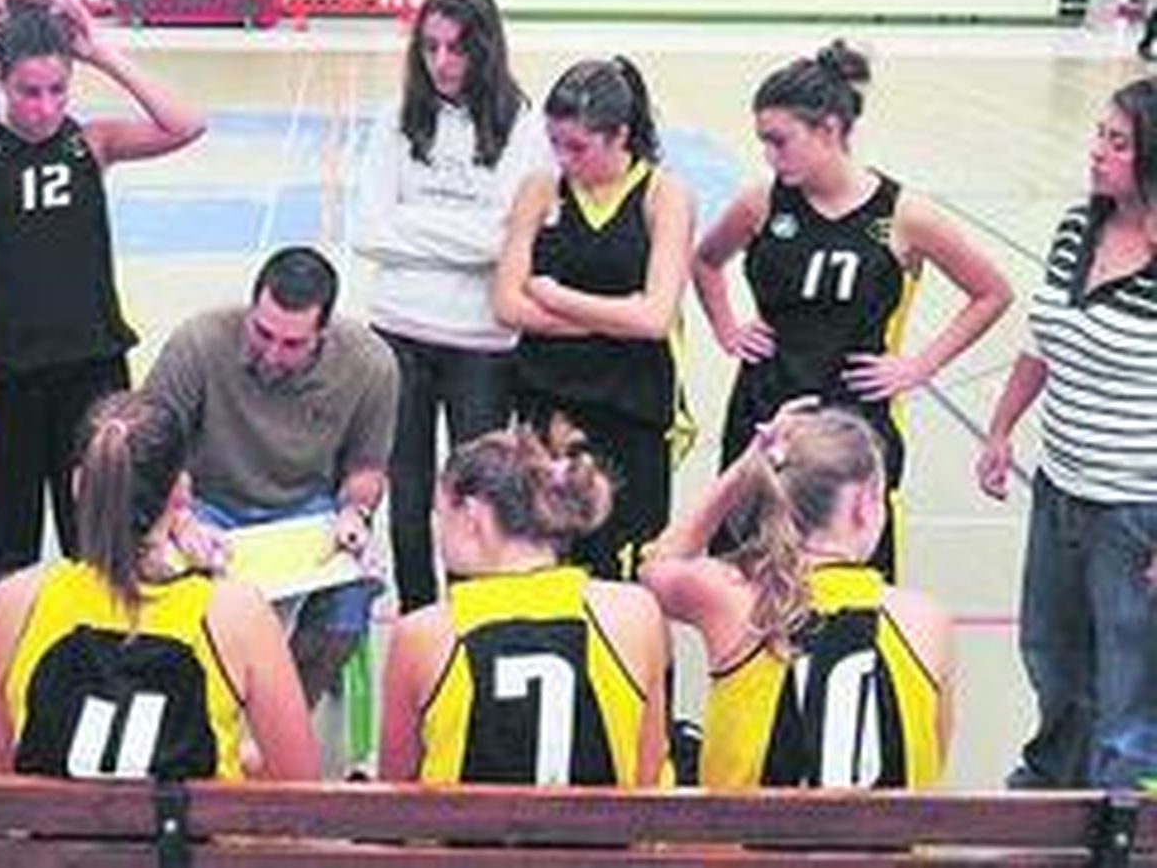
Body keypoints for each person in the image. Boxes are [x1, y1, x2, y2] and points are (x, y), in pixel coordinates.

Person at [0, 0, 204, 610]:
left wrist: (102, 54)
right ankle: (0, 659)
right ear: (2, 86)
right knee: (0, 547)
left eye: (56, 91)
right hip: (3, 376)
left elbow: (186, 123)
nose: (43, 107)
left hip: (89, 374)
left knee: (97, 533)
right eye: (27, 91)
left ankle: (93, 639)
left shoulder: (91, 142)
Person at [692, 40, 1010, 578]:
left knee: (847, 584)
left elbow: (992, 293)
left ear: (831, 129)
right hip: (765, 410)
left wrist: (920, 366)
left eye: (779, 141)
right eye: (763, 142)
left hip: (855, 420)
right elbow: (705, 262)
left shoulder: (905, 215)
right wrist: (728, 329)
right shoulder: (761, 203)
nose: (769, 155)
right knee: (745, 573)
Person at [0, 391, 319, 780]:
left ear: (77, 486)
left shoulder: (16, 603)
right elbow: (300, 787)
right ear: (181, 494)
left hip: (55, 838)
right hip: (179, 839)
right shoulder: (234, 614)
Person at [976, 77, 1157, 789]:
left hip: (1136, 510)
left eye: (1117, 143)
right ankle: (1055, 782)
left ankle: (1122, 815)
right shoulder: (1078, 229)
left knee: (1130, 676)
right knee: (1050, 651)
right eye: (1098, 136)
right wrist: (1000, 428)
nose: (1097, 154)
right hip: (1060, 491)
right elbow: (1045, 338)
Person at [352, 0, 548, 613]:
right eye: (430, 47)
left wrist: (417, 228)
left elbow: (512, 238)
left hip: (482, 345)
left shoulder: (523, 125)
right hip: (398, 335)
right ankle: (418, 620)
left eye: (457, 49)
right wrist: (475, 235)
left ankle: (471, 620)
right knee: (407, 495)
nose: (441, 62)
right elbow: (370, 230)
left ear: (484, 50)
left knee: (478, 497)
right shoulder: (395, 120)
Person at [642, 403, 953, 788]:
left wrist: (744, 469)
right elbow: (931, 765)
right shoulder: (923, 619)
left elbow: (656, 567)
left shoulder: (737, 601)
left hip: (743, 845)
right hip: (888, 846)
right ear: (864, 505)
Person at [144, 246, 400, 706]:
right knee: (157, 574)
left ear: (323, 332)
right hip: (208, 503)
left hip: (306, 513)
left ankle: (289, 712)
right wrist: (180, 518)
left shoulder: (370, 365)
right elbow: (154, 450)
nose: (273, 353)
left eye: (292, 344)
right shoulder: (198, 343)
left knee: (351, 597)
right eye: (263, 333)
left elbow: (366, 468)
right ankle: (190, 709)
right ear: (251, 307)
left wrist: (354, 514)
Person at [494, 57, 695, 581]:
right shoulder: (540, 189)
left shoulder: (663, 196)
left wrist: (556, 297)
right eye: (555, 143)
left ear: (620, 135)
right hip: (548, 405)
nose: (564, 157)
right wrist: (613, 317)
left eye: (577, 146)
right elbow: (508, 305)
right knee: (546, 564)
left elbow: (654, 317)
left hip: (631, 412)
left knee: (627, 573)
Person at [379, 428, 668, 786]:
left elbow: (395, 796)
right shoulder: (634, 613)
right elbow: (650, 775)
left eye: (440, 515)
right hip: (605, 841)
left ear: (472, 516)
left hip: (467, 840)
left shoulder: (424, 634)